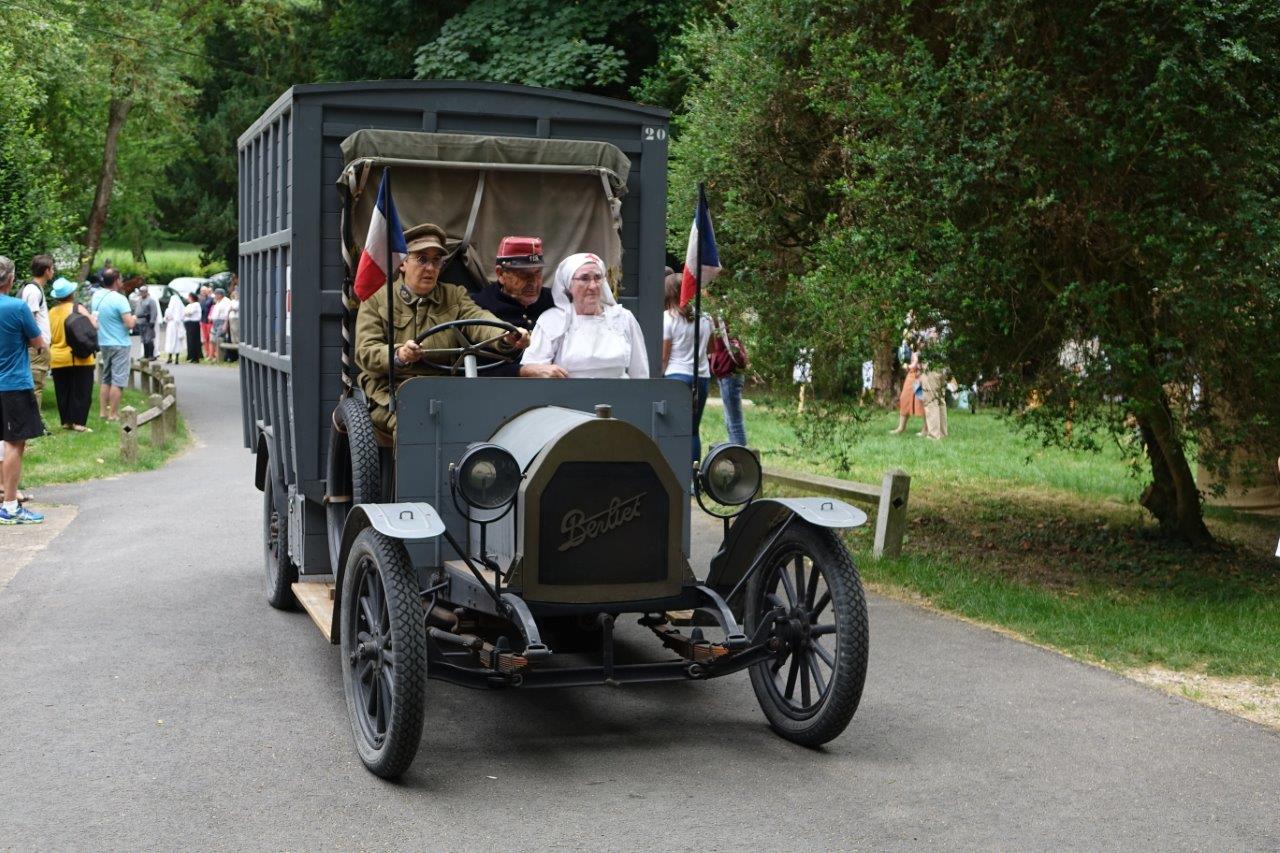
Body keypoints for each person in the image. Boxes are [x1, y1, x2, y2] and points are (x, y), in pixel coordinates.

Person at [354, 223, 528, 433]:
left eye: (436, 260)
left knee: (488, 422)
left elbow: (479, 320)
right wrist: (400, 353)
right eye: (422, 259)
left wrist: (506, 335)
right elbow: (365, 351)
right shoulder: (377, 299)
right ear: (402, 263)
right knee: (415, 426)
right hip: (390, 393)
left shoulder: (453, 295)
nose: (430, 268)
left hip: (445, 391)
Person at [523, 253, 648, 379]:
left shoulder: (623, 318)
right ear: (569, 285)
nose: (593, 286)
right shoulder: (552, 321)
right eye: (584, 278)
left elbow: (640, 372)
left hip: (619, 396)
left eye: (598, 278)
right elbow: (534, 368)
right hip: (566, 397)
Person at [470, 236, 561, 378]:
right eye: (523, 274)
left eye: (538, 273)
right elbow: (472, 370)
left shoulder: (556, 301)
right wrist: (521, 371)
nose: (533, 282)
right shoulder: (479, 306)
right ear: (500, 273)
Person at [0, 256, 46, 524]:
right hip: (14, 383)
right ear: (11, 279)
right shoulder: (18, 308)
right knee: (15, 442)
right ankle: (10, 506)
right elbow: (38, 342)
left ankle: (5, 493)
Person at [661, 273, 711, 463]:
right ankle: (693, 475)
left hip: (676, 376)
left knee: (672, 428)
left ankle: (674, 468)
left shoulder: (668, 318)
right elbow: (711, 348)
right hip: (702, 376)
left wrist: (658, 376)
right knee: (692, 430)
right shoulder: (705, 317)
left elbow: (664, 356)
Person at [47, 277, 96, 432]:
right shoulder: (77, 308)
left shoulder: (51, 312)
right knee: (81, 391)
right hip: (78, 357)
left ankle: (67, 422)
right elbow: (93, 326)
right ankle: (79, 423)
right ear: (72, 293)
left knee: (63, 392)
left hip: (57, 358)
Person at [91, 268, 135, 422]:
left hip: (103, 342)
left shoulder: (96, 296)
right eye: (121, 278)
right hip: (120, 343)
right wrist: (135, 318)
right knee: (118, 380)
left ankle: (103, 412)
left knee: (106, 378)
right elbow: (129, 323)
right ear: (117, 280)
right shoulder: (119, 299)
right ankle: (113, 414)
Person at [710, 312, 749, 446]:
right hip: (732, 373)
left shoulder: (719, 319)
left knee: (734, 424)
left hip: (729, 374)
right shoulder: (729, 316)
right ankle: (736, 454)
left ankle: (741, 459)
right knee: (731, 422)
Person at [21, 254, 54, 398]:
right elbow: (30, 322)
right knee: (36, 387)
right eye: (52, 269)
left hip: (38, 347)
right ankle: (34, 420)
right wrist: (40, 345)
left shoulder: (35, 289)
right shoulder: (33, 291)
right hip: (37, 348)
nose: (53, 271)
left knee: (36, 386)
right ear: (47, 270)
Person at [890, 331, 924, 435]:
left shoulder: (923, 336)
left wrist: (910, 365)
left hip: (920, 374)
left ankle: (926, 429)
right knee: (904, 397)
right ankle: (901, 427)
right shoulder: (908, 341)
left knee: (921, 400)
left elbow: (921, 356)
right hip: (911, 373)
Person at [134, 285, 159, 361]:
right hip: (140, 322)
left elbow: (154, 312)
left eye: (142, 291)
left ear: (146, 292)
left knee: (149, 339)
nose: (141, 293)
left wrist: (152, 321)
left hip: (147, 322)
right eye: (140, 291)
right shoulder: (139, 300)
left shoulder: (151, 301)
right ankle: (145, 355)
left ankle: (151, 355)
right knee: (143, 339)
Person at [162, 286, 185, 363]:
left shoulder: (169, 309)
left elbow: (165, 318)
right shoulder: (181, 308)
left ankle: (170, 357)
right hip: (177, 326)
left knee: (170, 340)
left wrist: (168, 319)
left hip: (171, 326)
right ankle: (177, 359)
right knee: (177, 341)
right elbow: (183, 316)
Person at [209, 287, 231, 359]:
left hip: (222, 322)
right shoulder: (217, 301)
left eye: (216, 294)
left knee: (219, 338)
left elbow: (227, 314)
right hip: (215, 322)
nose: (215, 295)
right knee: (213, 339)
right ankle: (214, 355)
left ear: (220, 295)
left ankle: (220, 356)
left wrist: (225, 324)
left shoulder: (226, 301)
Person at [182, 293, 203, 363]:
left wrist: (186, 313)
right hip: (188, 323)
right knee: (190, 340)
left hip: (194, 323)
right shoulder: (188, 305)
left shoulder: (196, 304)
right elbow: (184, 312)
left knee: (194, 340)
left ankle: (196, 357)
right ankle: (191, 356)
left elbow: (190, 313)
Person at [199, 284, 215, 361]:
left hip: (209, 321)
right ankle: (207, 352)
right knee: (205, 338)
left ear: (207, 291)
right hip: (203, 321)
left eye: (204, 291)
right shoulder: (200, 300)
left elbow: (213, 308)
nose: (203, 292)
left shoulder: (211, 299)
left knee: (210, 337)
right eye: (202, 291)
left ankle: (212, 353)